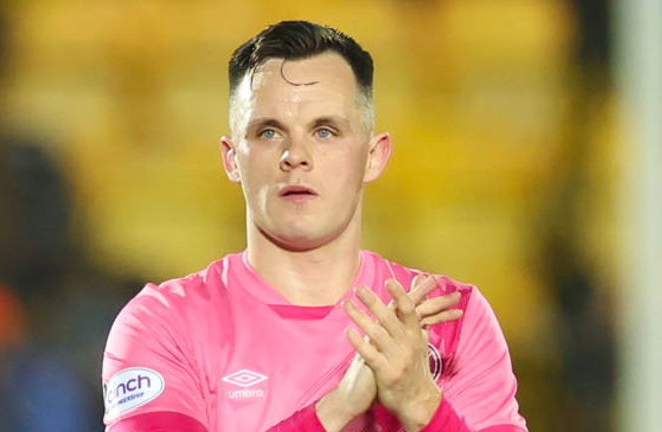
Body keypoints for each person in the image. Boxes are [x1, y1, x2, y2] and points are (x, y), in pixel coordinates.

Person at [101, 20, 527, 432]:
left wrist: (420, 404)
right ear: (232, 159)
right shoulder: (165, 325)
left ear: (374, 156)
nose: (296, 156)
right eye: (269, 132)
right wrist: (339, 408)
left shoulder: (451, 319)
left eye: (325, 131)